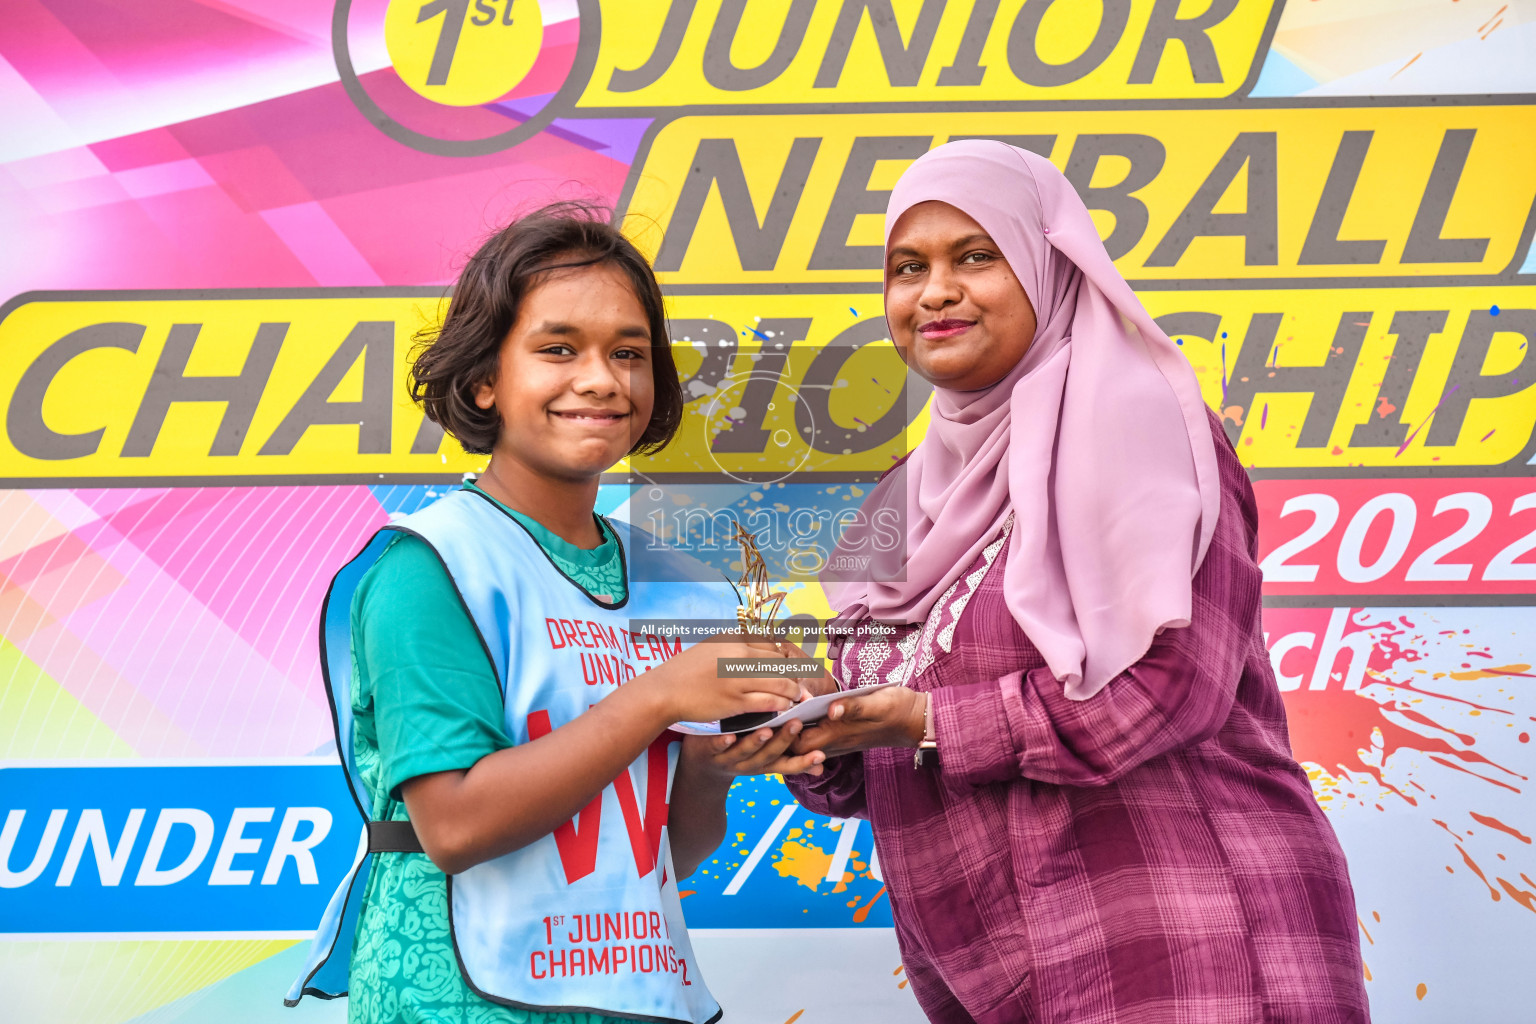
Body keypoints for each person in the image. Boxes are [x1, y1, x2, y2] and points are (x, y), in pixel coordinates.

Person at [786, 142, 1370, 1023]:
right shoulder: (902, 497)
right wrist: (798, 730)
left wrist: (929, 720)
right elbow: (874, 739)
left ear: (1048, 267)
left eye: (976, 256)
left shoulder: (1138, 422)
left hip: (1188, 938)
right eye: (909, 268)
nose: (935, 291)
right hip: (991, 971)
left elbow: (1172, 690)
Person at [286, 203, 824, 1024]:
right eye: (559, 349)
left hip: (632, 1000)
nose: (603, 378)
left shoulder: (676, 580)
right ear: (482, 380)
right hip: (457, 1004)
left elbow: (659, 855)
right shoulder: (430, 566)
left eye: (630, 354)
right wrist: (660, 697)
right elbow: (456, 826)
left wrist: (721, 759)